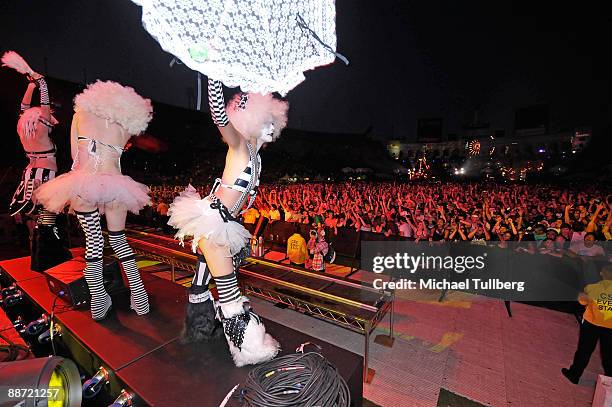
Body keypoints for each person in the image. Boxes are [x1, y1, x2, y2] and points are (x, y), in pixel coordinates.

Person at [167, 78, 287, 367]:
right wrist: (213, 77)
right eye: (266, 120)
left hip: (222, 222)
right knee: (230, 294)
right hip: (214, 224)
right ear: (249, 120)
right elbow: (219, 115)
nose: (272, 126)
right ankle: (249, 349)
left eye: (274, 122)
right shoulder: (240, 146)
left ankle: (198, 330)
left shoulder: (256, 158)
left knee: (201, 283)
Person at [35, 81, 153, 321]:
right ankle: (139, 298)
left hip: (84, 183)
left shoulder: (81, 116)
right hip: (116, 186)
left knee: (94, 243)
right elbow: (137, 142)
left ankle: (99, 299)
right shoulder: (124, 124)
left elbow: (73, 156)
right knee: (119, 242)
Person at [2, 52, 71, 271]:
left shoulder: (25, 127)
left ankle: (38, 257)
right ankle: (47, 259)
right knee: (47, 220)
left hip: (30, 173)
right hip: (45, 175)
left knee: (36, 222)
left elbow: (24, 108)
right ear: (41, 116)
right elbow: (44, 105)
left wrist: (30, 86)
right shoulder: (42, 126)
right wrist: (41, 82)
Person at [561, 265, 612, 383]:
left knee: (584, 350)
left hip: (591, 324)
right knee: (609, 354)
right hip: (610, 327)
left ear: (602, 273)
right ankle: (609, 381)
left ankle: (574, 375)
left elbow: (582, 301)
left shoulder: (592, 288)